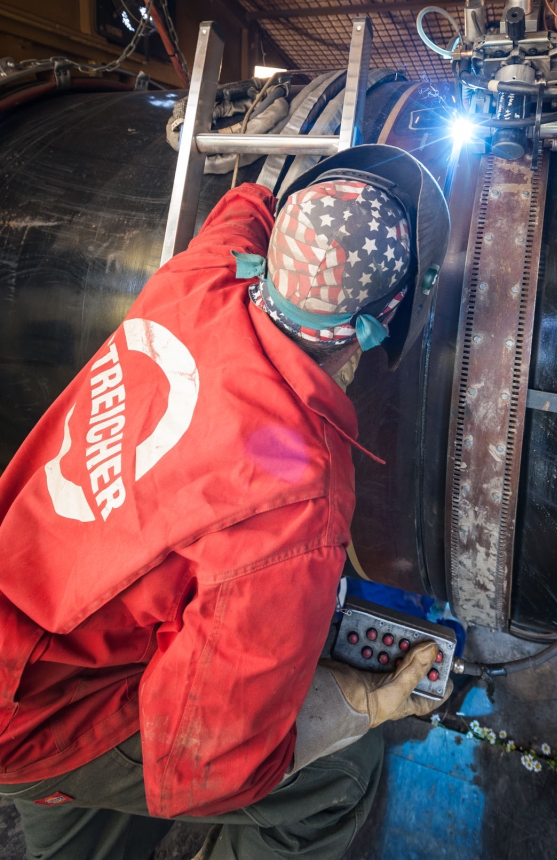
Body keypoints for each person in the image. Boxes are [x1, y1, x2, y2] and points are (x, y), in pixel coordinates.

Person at [0, 144, 450, 860]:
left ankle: (77, 811)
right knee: (339, 775)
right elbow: (210, 764)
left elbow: (244, 206)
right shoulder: (293, 500)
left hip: (30, 627)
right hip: (33, 715)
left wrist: (314, 214)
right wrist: (355, 704)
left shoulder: (200, 278)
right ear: (381, 327)